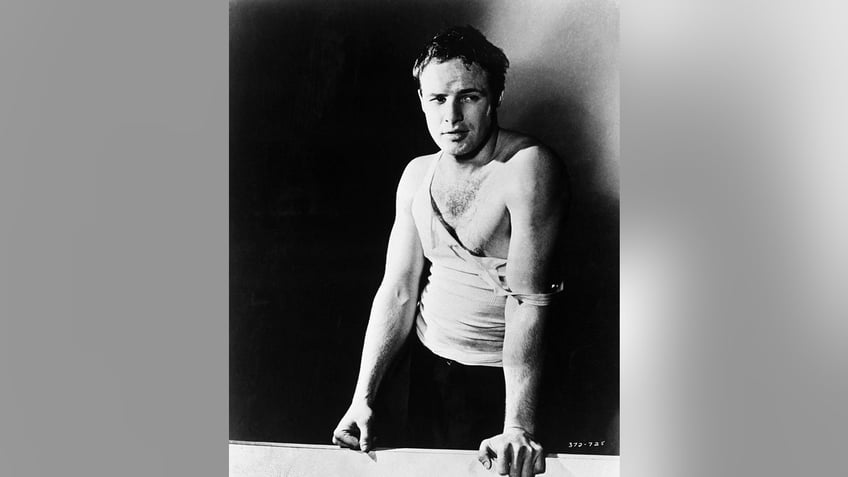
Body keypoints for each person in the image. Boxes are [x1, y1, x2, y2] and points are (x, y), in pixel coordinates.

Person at [332, 25, 565, 477]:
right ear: (421, 99)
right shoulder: (417, 174)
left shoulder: (528, 169)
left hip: (501, 379)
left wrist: (517, 424)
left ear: (496, 95)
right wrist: (362, 397)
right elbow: (398, 291)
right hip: (428, 366)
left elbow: (528, 303)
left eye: (469, 97)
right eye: (437, 99)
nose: (451, 117)